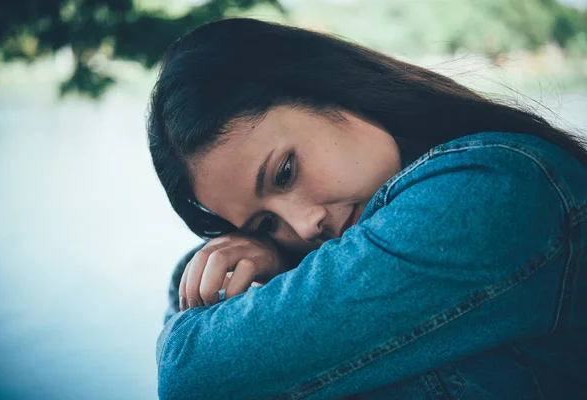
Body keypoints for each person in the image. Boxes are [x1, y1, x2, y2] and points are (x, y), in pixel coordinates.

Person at [147, 17, 587, 400]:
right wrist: (276, 260)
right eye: (265, 224)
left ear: (329, 89)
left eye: (285, 172)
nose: (304, 226)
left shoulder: (494, 187)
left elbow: (192, 375)